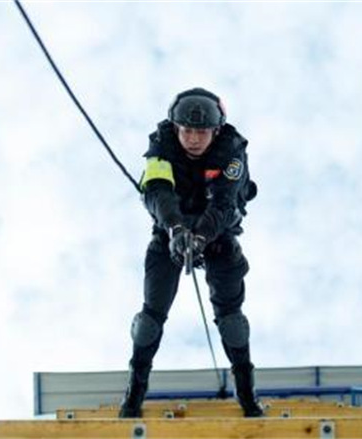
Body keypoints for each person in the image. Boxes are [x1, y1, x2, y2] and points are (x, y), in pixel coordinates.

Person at [119, 87, 262, 418]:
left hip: (218, 235)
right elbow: (156, 191)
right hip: (171, 233)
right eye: (187, 130)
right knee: (149, 320)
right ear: (176, 127)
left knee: (232, 320)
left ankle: (246, 389)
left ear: (216, 130)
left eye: (202, 132)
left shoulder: (232, 152)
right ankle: (135, 388)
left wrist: (201, 236)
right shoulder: (161, 146)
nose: (194, 139)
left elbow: (226, 204)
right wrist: (176, 229)